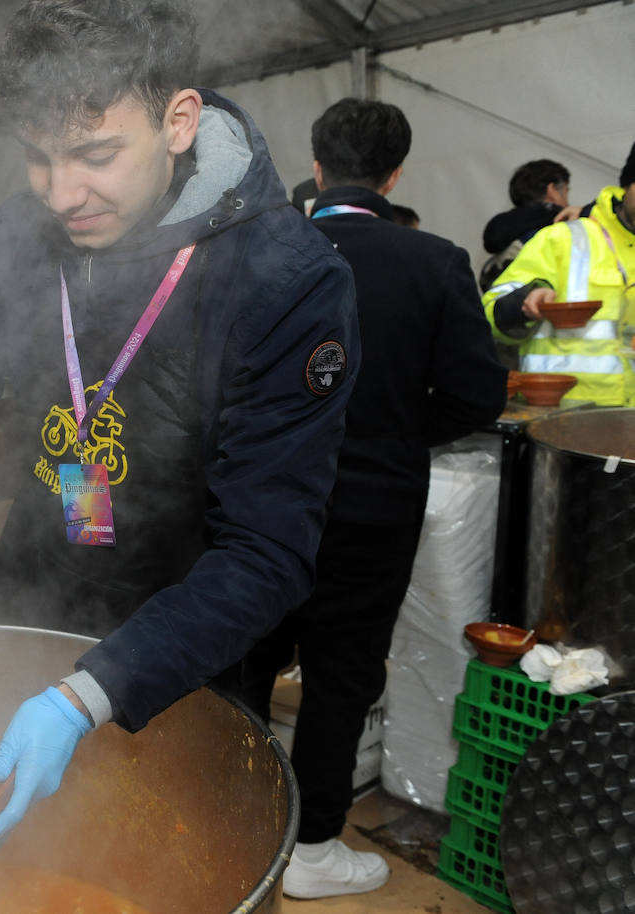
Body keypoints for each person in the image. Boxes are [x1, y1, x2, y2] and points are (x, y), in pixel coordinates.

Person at [0, 0, 359, 854]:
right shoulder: (24, 226)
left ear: (178, 121)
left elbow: (266, 554)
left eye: (96, 154)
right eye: (38, 158)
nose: (61, 192)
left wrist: (88, 694)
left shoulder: (286, 279)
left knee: (152, 849)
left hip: (182, 636)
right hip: (29, 589)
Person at [218, 98, 507, 899]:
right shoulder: (434, 261)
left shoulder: (254, 254)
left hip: (260, 500)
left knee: (244, 657)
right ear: (395, 173)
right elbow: (477, 396)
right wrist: (395, 431)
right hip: (374, 507)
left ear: (315, 166)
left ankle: (229, 817)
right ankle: (312, 849)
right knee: (342, 677)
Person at [483, 141, 635, 406]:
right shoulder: (564, 239)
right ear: (627, 186)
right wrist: (525, 302)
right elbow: (489, 311)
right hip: (561, 423)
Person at [479, 159, 577, 291]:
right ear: (552, 190)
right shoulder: (561, 227)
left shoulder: (502, 229)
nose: (568, 203)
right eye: (566, 192)